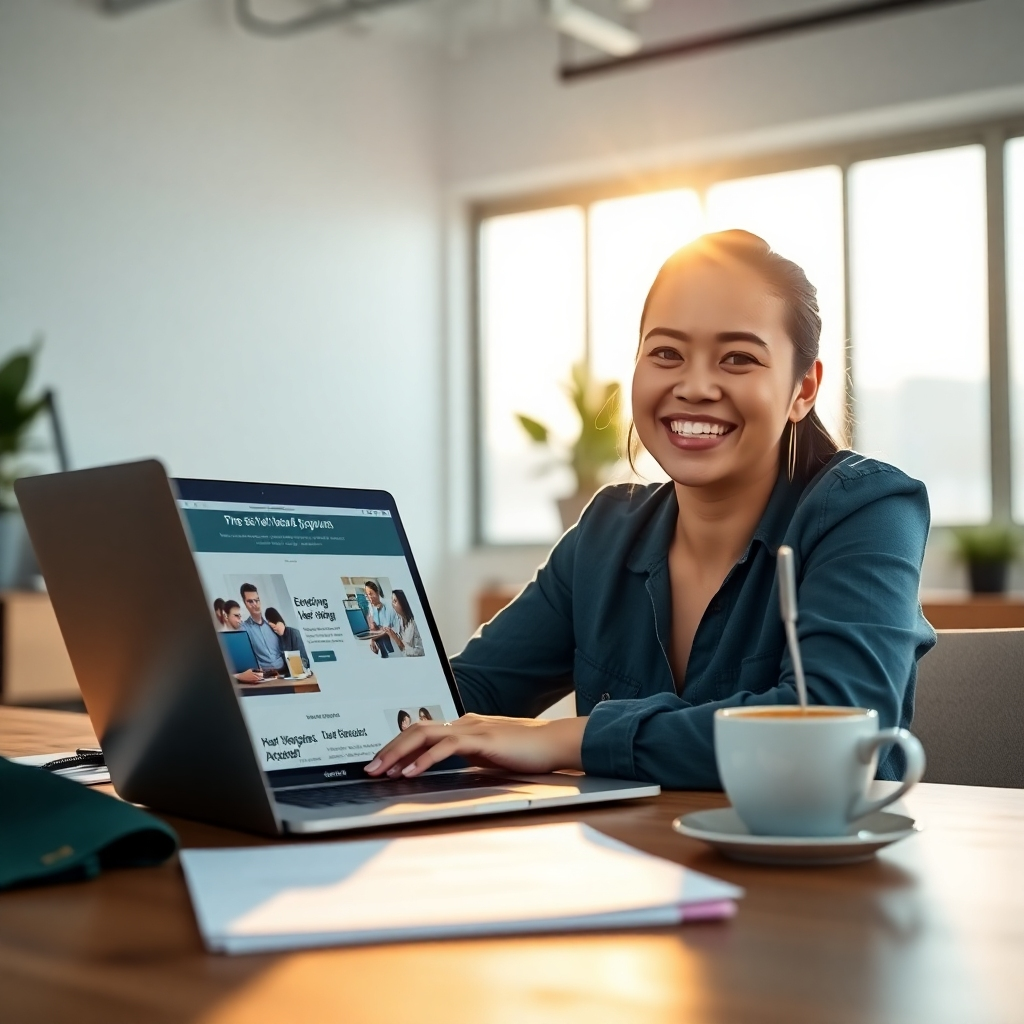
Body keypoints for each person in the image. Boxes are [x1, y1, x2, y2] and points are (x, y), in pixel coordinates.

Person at [363, 229, 935, 789]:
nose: (694, 385)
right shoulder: (608, 533)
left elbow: (833, 737)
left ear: (803, 390)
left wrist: (567, 739)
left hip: (811, 874)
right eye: (666, 352)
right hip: (635, 868)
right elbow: (468, 696)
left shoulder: (868, 509)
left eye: (737, 358)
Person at [240, 583, 286, 676]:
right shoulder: (243, 628)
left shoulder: (272, 624)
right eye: (250, 601)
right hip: (265, 676)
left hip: (285, 671)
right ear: (244, 603)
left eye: (257, 600)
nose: (255, 605)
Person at [265, 607, 309, 672]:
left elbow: (304, 661)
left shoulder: (294, 633)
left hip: (298, 671)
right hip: (283, 673)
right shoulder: (274, 637)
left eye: (269, 621)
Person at [383, 589, 425, 658]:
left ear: (404, 602)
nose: (392, 604)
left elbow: (420, 652)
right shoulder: (400, 620)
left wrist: (399, 642)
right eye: (392, 601)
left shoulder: (415, 624)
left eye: (395, 601)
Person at [364, 580, 400, 656]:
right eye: (367, 595)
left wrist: (373, 636)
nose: (369, 597)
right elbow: (372, 625)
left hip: (392, 638)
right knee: (383, 655)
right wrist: (372, 640)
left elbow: (387, 628)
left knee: (392, 655)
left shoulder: (389, 605)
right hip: (379, 639)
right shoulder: (371, 607)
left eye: (371, 593)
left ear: (377, 592)